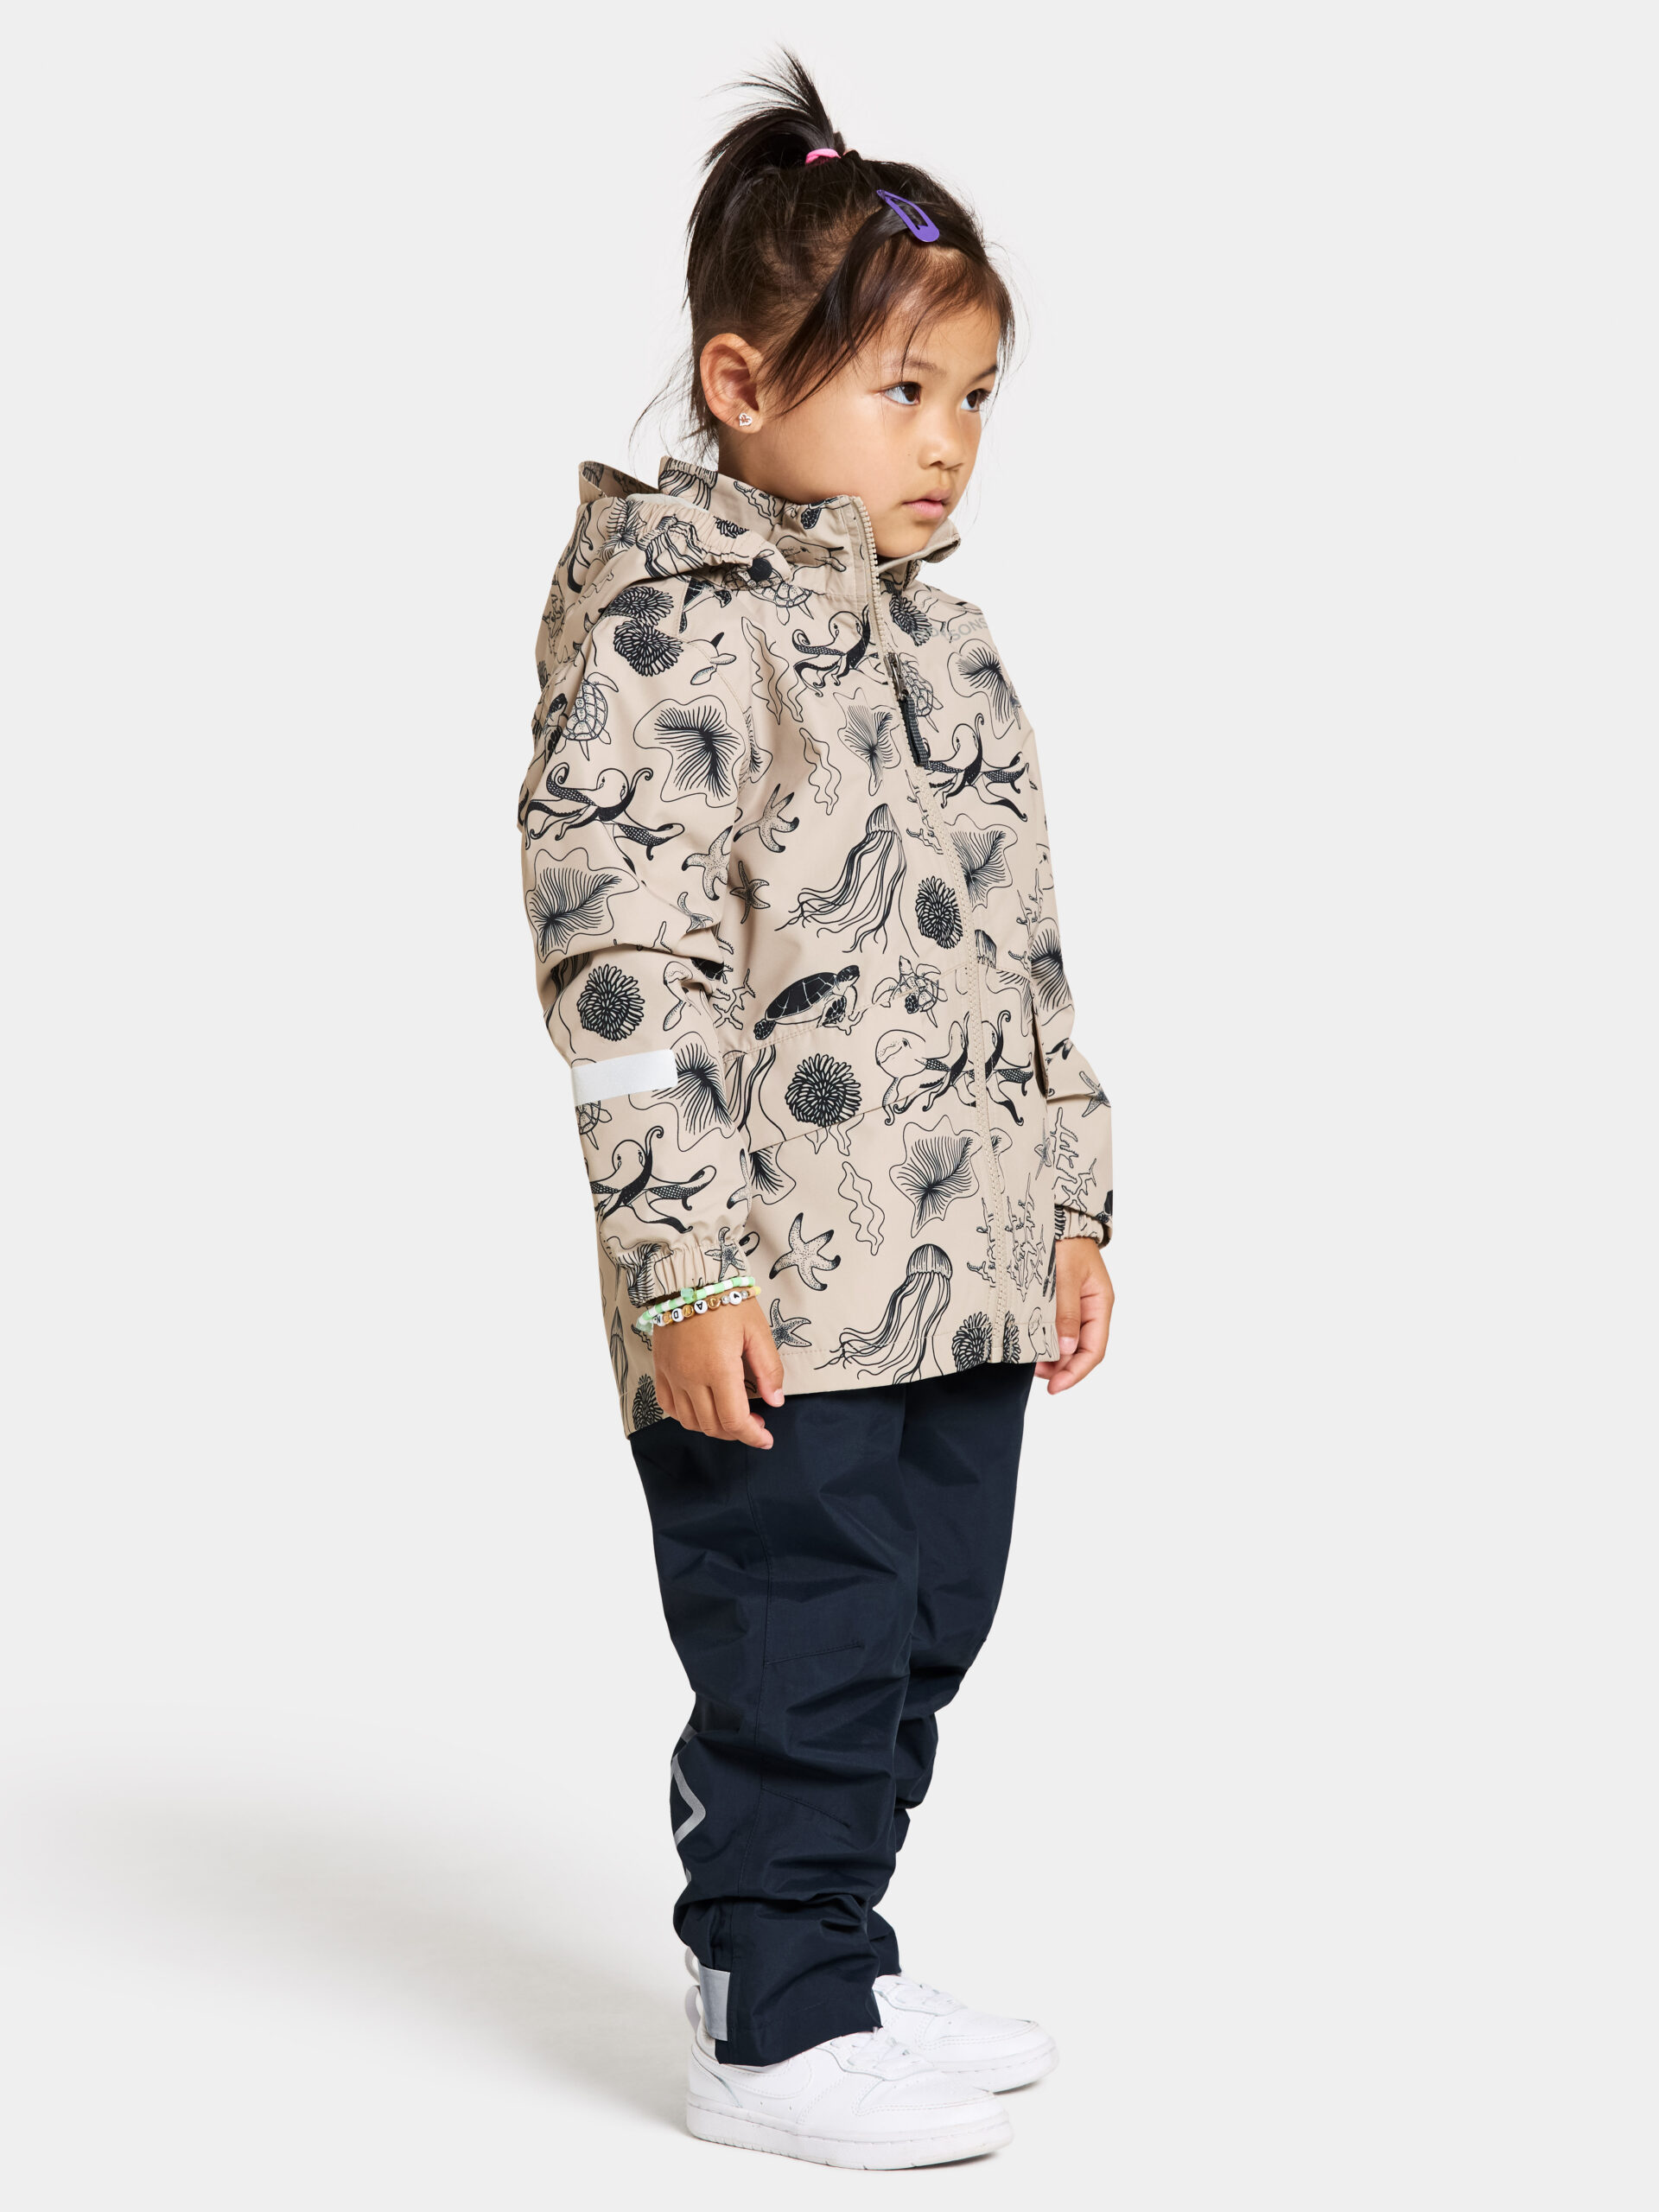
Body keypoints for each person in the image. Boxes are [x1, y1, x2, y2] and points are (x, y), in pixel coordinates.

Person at [518, 54, 1114, 2170]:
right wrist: (683, 1262)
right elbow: (627, 968)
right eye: (903, 391)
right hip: (773, 1281)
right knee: (808, 1631)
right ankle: (770, 2013)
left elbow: (1025, 942)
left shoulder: (951, 651)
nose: (949, 440)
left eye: (975, 396)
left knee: (927, 1617)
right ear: (744, 380)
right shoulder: (669, 631)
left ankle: (831, 1940)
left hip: (957, 1258)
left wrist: (1071, 1199)